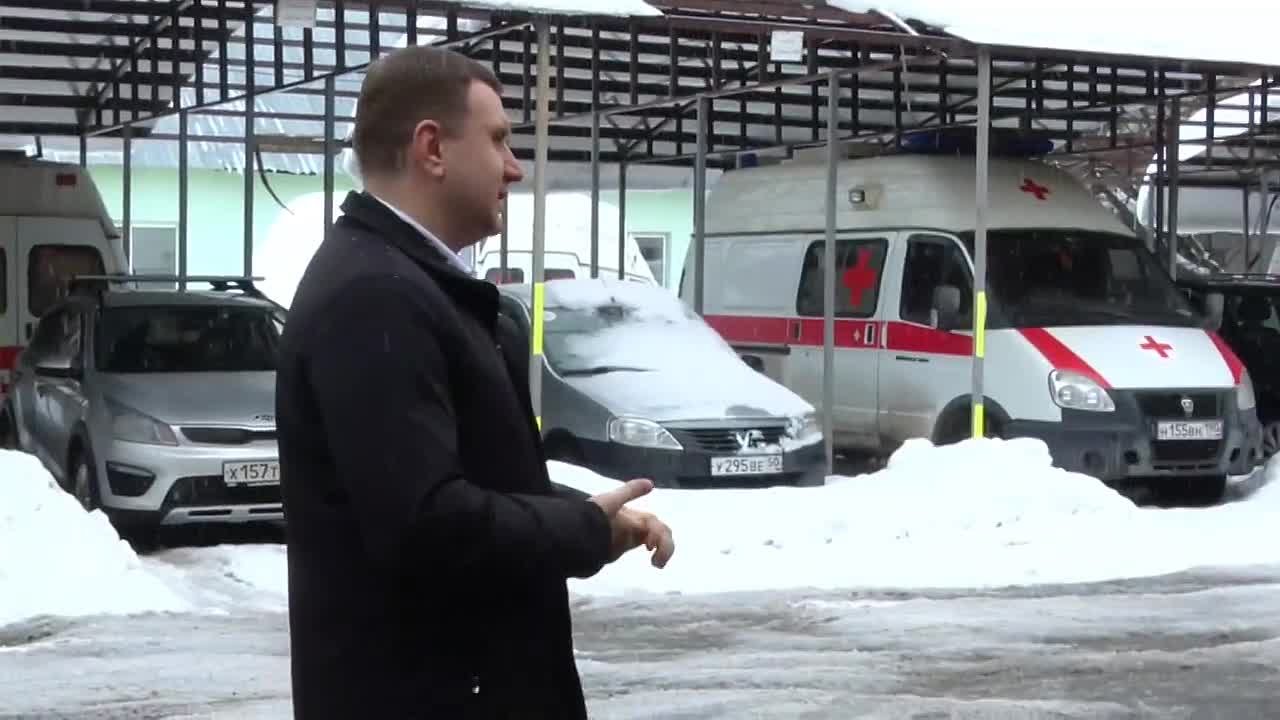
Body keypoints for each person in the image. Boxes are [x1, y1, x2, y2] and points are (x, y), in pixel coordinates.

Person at [274, 44, 675, 719]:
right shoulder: (377, 296)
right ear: (432, 148)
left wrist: (588, 513)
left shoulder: (406, 282)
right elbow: (427, 523)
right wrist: (579, 532)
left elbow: (463, 477)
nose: (514, 167)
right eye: (497, 140)